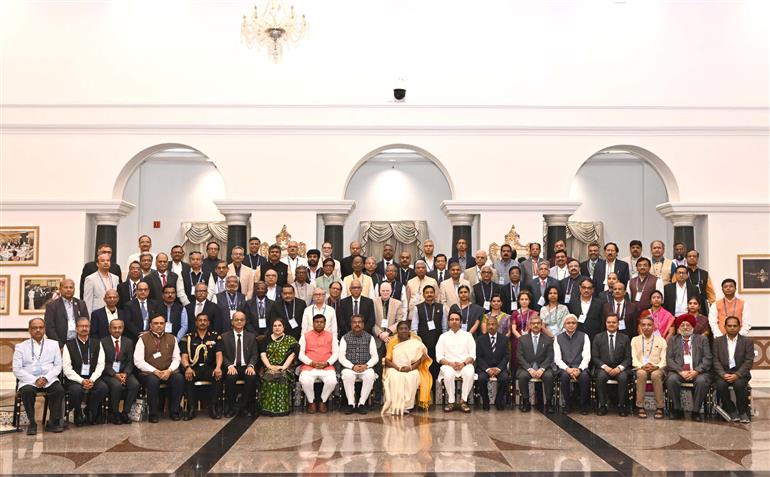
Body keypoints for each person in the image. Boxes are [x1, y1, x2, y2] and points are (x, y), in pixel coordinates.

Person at [14, 318, 65, 435]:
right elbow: (17, 369)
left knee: (59, 390)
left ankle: (52, 422)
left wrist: (46, 378)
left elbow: (58, 366)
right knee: (26, 391)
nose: (38, 330)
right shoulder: (20, 347)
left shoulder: (53, 344)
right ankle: (32, 423)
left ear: (45, 329)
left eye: (41, 327)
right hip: (29, 380)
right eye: (34, 328)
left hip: (49, 379)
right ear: (29, 330)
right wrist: (35, 380)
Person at [133, 314, 184, 422]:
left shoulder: (172, 338)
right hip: (149, 373)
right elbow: (138, 361)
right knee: (153, 381)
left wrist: (169, 371)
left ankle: (174, 411)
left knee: (179, 378)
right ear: (150, 325)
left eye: (161, 323)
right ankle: (153, 413)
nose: (159, 326)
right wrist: (154, 371)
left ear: (165, 324)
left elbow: (177, 358)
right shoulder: (143, 339)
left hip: (168, 371)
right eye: (156, 323)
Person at [665, 314, 713, 422]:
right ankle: (677, 409)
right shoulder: (673, 340)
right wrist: (680, 371)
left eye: (688, 325)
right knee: (671, 379)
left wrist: (696, 371)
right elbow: (669, 359)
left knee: (701, 381)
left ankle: (696, 411)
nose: (685, 327)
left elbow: (707, 358)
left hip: (698, 371)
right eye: (682, 325)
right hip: (678, 372)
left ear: (693, 326)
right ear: (678, 328)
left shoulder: (702, 339)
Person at [62, 317, 108, 426]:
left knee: (103, 387)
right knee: (76, 390)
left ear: (90, 328)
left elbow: (101, 364)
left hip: (93, 377)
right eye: (81, 326)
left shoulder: (97, 343)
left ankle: (90, 410)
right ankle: (78, 412)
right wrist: (82, 381)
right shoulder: (69, 345)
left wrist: (92, 379)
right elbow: (67, 368)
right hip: (75, 379)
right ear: (76, 328)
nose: (84, 328)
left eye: (86, 326)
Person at [381, 321, 433, 415]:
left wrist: (411, 368)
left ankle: (406, 406)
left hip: (411, 368)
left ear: (409, 331)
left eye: (406, 329)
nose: (403, 331)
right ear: (397, 331)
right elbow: (388, 360)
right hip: (395, 367)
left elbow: (422, 358)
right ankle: (395, 406)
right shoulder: (392, 341)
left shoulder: (415, 342)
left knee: (413, 376)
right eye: (401, 329)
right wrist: (398, 369)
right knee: (394, 376)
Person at [181, 313, 223, 420]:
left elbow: (219, 354)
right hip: (194, 368)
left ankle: (213, 407)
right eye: (200, 320)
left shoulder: (215, 336)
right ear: (196, 323)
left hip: (209, 368)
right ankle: (191, 409)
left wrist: (218, 368)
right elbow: (184, 356)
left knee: (217, 376)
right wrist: (187, 368)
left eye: (205, 320)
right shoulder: (188, 337)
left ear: (208, 323)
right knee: (188, 377)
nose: (203, 322)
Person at [712, 316, 754, 423]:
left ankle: (742, 411)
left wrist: (737, 375)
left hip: (740, 373)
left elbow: (748, 361)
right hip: (723, 373)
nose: (732, 328)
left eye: (735, 326)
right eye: (729, 325)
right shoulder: (717, 341)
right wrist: (722, 374)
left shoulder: (747, 341)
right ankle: (731, 409)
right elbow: (715, 360)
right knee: (720, 385)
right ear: (725, 327)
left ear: (739, 327)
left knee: (739, 385)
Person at [100, 318, 139, 425]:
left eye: (119, 328)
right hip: (109, 373)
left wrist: (125, 373)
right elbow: (102, 362)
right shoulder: (103, 342)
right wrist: (114, 374)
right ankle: (115, 413)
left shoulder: (128, 342)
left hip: (124, 372)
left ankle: (125, 412)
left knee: (135, 384)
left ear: (123, 328)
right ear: (109, 329)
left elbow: (130, 361)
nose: (117, 330)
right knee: (116, 385)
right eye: (114, 328)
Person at [436, 310, 476, 413]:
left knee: (469, 372)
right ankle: (451, 402)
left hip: (465, 364)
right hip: (448, 364)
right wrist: (450, 364)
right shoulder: (443, 337)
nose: (454, 321)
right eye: (452, 319)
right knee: (448, 374)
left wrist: (463, 364)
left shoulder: (468, 336)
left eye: (457, 319)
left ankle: (463, 401)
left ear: (460, 322)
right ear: (448, 322)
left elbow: (472, 355)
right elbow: (439, 357)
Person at [591, 314, 632, 416]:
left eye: (614, 322)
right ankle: (603, 405)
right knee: (600, 377)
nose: (611, 324)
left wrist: (619, 368)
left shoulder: (625, 338)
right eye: (609, 322)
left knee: (623, 378)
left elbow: (628, 358)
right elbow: (595, 357)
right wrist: (605, 367)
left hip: (619, 368)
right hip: (603, 368)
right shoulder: (598, 337)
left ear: (618, 324)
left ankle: (621, 406)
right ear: (605, 323)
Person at [298, 314, 339, 414]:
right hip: (309, 367)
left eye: (321, 322)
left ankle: (323, 401)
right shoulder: (305, 336)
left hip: (326, 367)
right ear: (313, 323)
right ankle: (311, 402)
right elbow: (300, 354)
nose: (319, 324)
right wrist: (311, 362)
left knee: (332, 381)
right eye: (317, 322)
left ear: (325, 324)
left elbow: (336, 353)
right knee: (305, 380)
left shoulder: (331, 336)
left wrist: (327, 363)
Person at [221, 311, 258, 418]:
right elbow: (221, 355)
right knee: (230, 378)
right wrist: (229, 365)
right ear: (232, 322)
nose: (239, 322)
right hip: (231, 366)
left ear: (245, 322)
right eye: (236, 319)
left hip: (245, 366)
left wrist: (251, 365)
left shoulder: (251, 337)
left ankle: (244, 407)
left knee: (251, 377)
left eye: (241, 320)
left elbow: (255, 354)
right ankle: (230, 407)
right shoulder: (224, 337)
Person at [339, 314, 379, 414]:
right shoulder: (345, 338)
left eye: (359, 322)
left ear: (363, 324)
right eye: (354, 322)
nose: (357, 324)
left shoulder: (370, 338)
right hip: (350, 367)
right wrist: (352, 366)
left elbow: (375, 357)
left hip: (365, 367)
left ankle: (361, 403)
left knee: (370, 375)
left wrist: (366, 366)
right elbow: (341, 357)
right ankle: (351, 404)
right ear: (351, 324)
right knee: (347, 375)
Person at [516, 315, 555, 413]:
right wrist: (529, 369)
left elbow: (550, 356)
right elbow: (519, 356)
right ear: (529, 325)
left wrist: (542, 369)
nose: (536, 325)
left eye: (538, 323)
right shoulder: (522, 339)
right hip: (527, 368)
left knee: (549, 376)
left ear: (541, 325)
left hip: (543, 367)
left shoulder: (548, 339)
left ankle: (549, 403)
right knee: (522, 377)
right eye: (533, 323)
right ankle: (526, 402)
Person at [259, 319, 298, 417]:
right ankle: (267, 409)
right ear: (271, 327)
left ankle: (282, 409)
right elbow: (263, 355)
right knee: (269, 376)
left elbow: (292, 355)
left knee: (282, 377)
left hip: (285, 368)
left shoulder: (290, 340)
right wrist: (270, 366)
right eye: (274, 325)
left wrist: (283, 367)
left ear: (283, 327)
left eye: (279, 325)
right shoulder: (265, 339)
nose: (277, 328)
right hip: (268, 367)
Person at [554, 314, 591, 415]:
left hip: (580, 367)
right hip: (565, 368)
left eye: (573, 323)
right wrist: (568, 369)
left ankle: (583, 405)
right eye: (568, 323)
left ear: (577, 324)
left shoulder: (584, 336)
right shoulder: (558, 338)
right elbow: (557, 358)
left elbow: (587, 356)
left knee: (584, 377)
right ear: (564, 325)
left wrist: (579, 369)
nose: (571, 325)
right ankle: (567, 404)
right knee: (565, 377)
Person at [631, 315, 667, 419]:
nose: (646, 327)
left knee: (656, 375)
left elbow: (664, 359)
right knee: (641, 374)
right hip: (641, 368)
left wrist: (656, 366)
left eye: (649, 325)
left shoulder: (661, 340)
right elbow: (634, 357)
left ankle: (660, 407)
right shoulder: (634, 340)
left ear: (653, 327)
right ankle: (640, 406)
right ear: (640, 327)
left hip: (658, 368)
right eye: (644, 325)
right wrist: (642, 366)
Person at [410, 285, 446, 381]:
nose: (429, 294)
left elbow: (444, 327)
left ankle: (436, 391)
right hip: (423, 344)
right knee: (424, 368)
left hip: (437, 343)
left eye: (431, 292)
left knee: (436, 368)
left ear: (435, 294)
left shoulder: (441, 307)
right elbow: (414, 328)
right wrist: (417, 343)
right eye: (427, 292)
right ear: (423, 295)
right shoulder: (418, 308)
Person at [475, 316, 510, 411]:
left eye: (493, 324)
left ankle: (498, 400)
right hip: (484, 368)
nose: (491, 326)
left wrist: (499, 368)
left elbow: (506, 356)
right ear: (486, 326)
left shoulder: (504, 339)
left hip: (499, 367)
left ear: (497, 325)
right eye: (489, 324)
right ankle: (485, 400)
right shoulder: (480, 339)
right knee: (481, 378)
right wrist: (487, 369)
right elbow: (479, 357)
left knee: (505, 378)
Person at [44, 278, 89, 347]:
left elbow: (86, 323)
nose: (69, 290)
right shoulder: (52, 306)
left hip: (79, 343)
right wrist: (59, 345)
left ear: (74, 289)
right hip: (60, 343)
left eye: (71, 287)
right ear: (60, 289)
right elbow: (49, 328)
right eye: (66, 287)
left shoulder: (81, 304)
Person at [509, 290, 537, 376]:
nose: (524, 301)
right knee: (515, 362)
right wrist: (521, 339)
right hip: (517, 341)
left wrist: (526, 339)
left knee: (529, 362)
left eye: (526, 299)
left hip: (530, 341)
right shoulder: (515, 313)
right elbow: (513, 329)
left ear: (529, 301)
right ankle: (514, 387)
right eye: (522, 299)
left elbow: (535, 327)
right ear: (518, 301)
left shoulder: (534, 313)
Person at [83, 251, 120, 316]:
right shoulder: (90, 279)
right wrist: (88, 318)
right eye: (103, 261)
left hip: (113, 313)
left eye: (108, 261)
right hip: (97, 314)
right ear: (97, 264)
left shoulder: (115, 278)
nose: (106, 262)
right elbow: (87, 301)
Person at [373, 282, 405, 349]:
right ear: (379, 291)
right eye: (383, 291)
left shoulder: (398, 303)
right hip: (377, 339)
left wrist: (388, 332)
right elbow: (371, 321)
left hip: (392, 338)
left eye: (387, 291)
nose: (385, 292)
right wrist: (380, 334)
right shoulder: (373, 302)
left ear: (391, 291)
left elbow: (399, 321)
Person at [686, 249, 715, 315]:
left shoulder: (704, 273)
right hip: (686, 305)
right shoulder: (681, 272)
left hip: (702, 305)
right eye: (689, 256)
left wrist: (713, 305)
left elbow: (710, 291)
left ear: (697, 258)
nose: (692, 258)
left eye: (694, 256)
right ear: (686, 258)